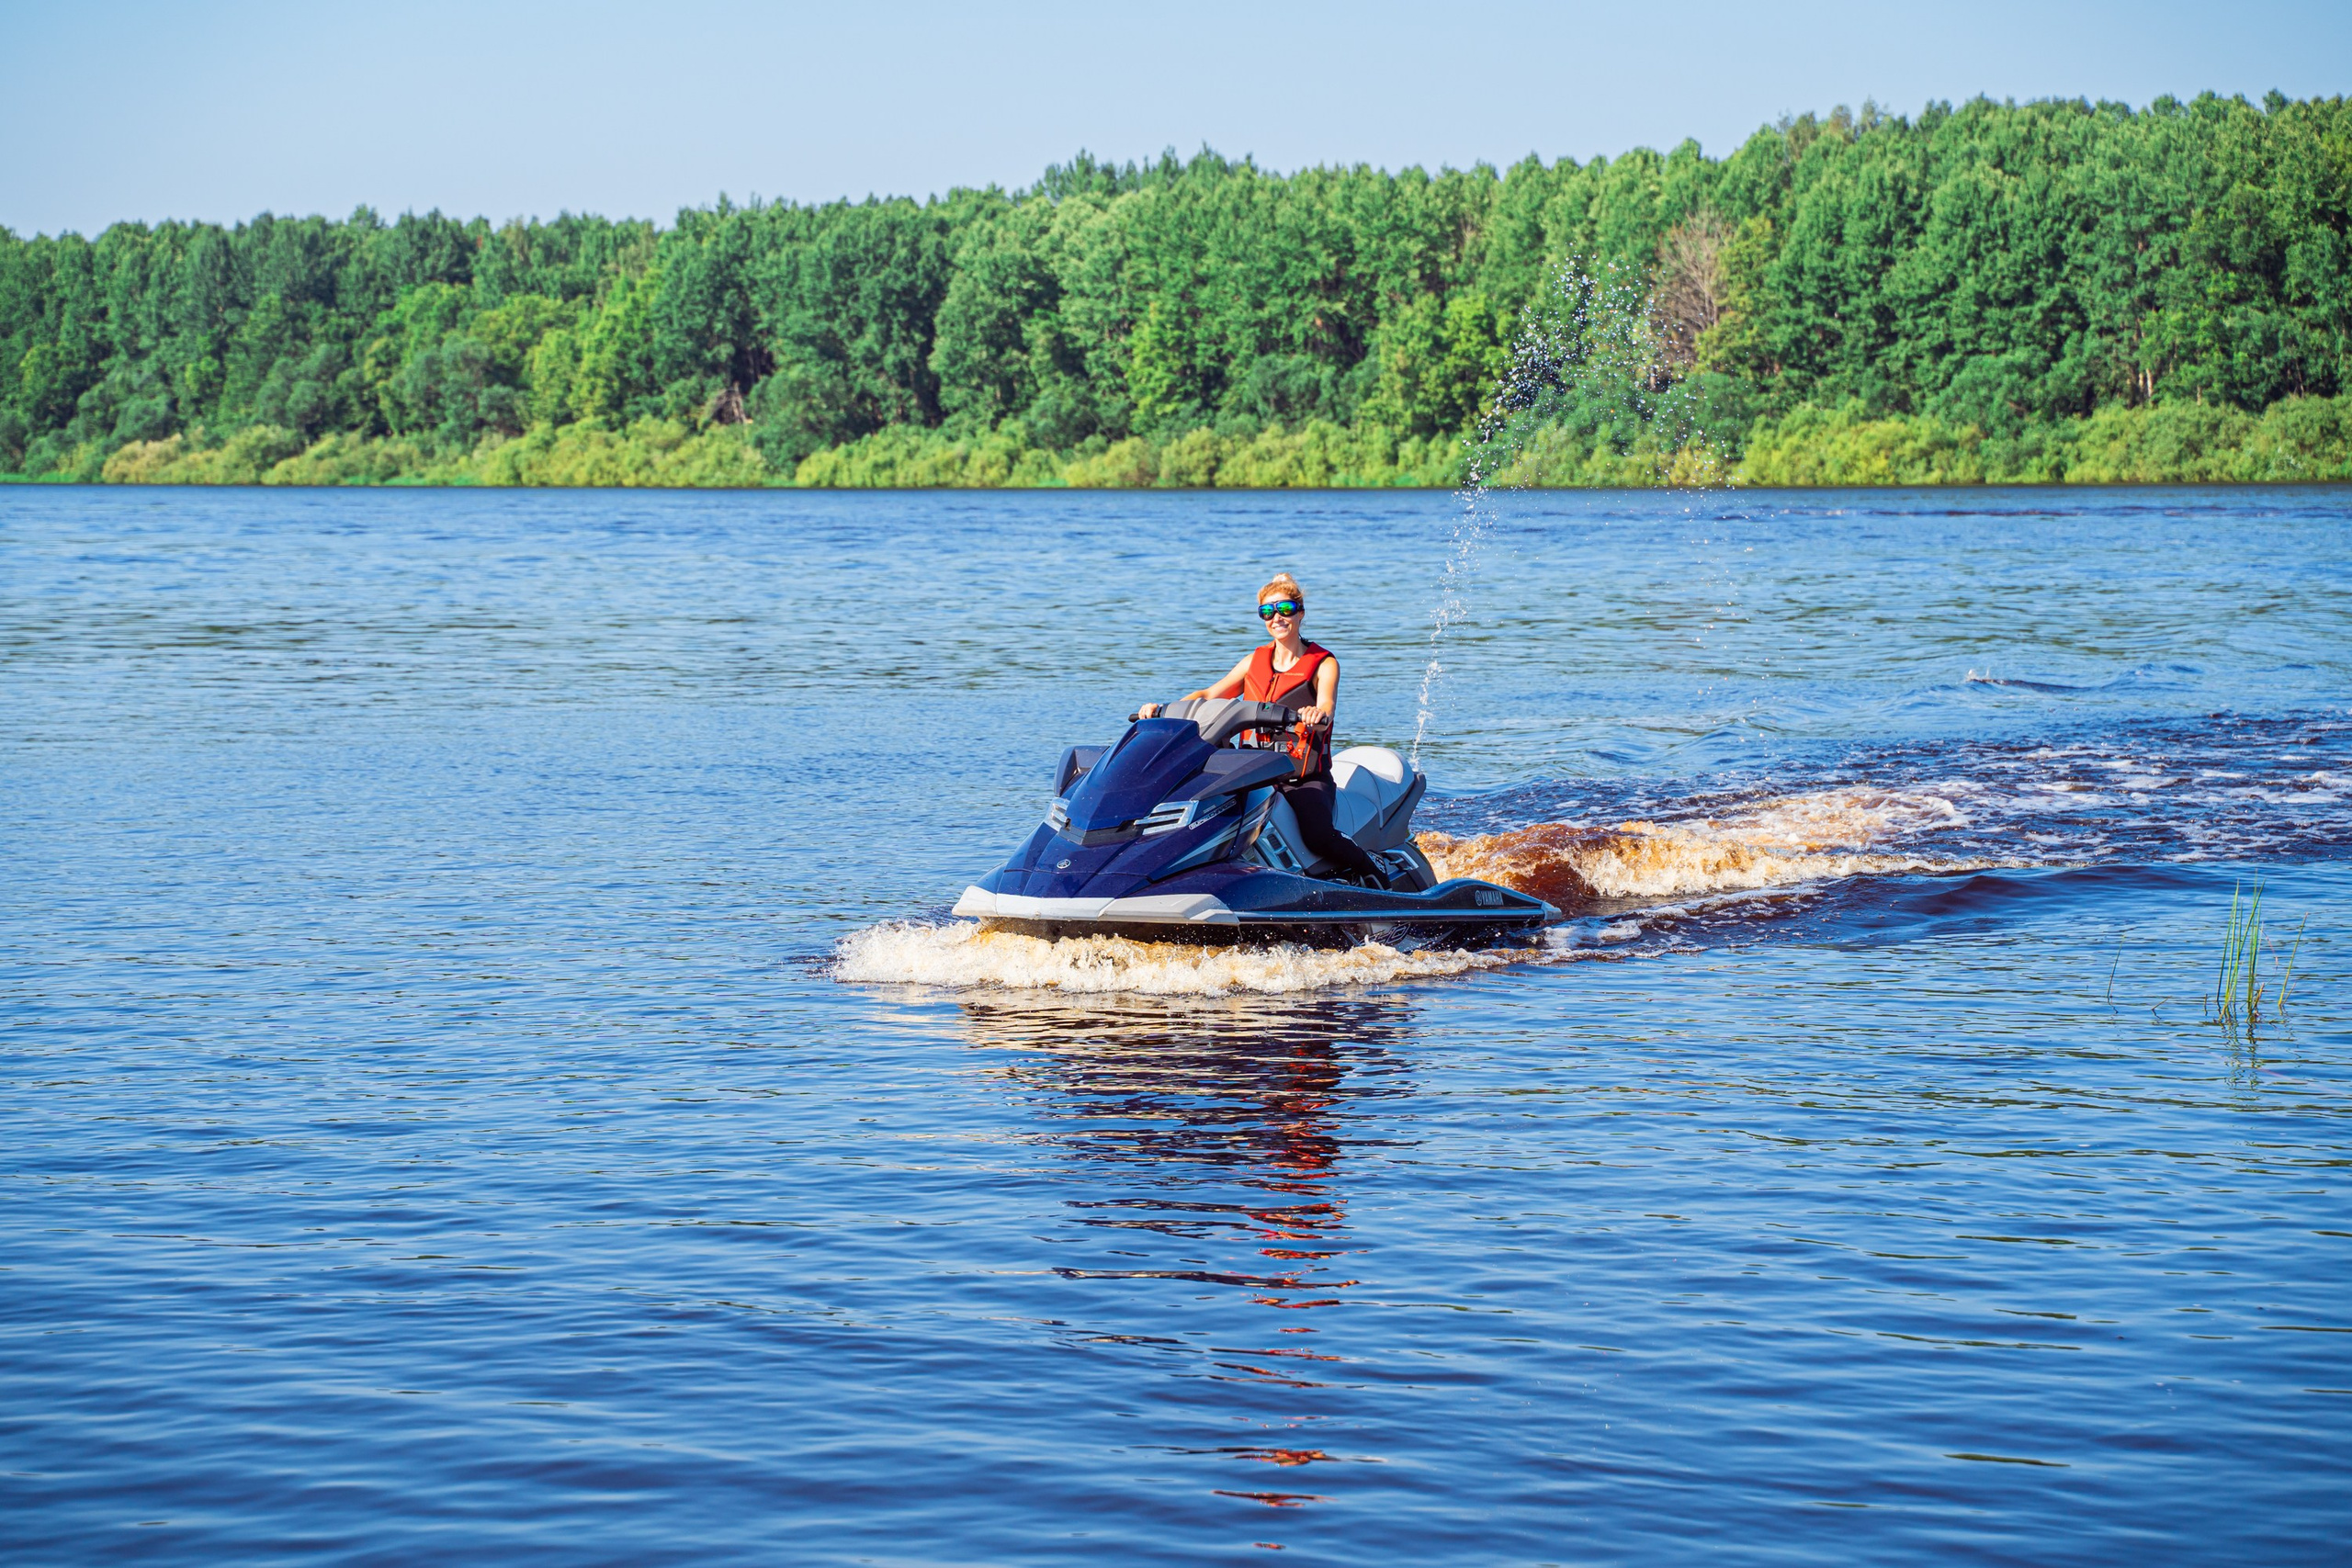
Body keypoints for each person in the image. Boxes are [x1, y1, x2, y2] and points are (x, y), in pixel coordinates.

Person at [1143, 573, 1387, 886]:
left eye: (1285, 609)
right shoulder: (1253, 661)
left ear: (1300, 612)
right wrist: (1163, 709)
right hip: (1252, 771)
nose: (1277, 618)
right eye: (1267, 612)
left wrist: (1316, 714)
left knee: (1317, 835)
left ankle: (1376, 875)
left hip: (1301, 776)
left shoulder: (1324, 663)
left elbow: (1326, 707)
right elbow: (1207, 695)